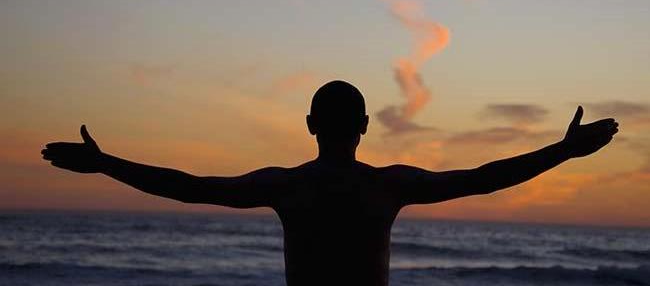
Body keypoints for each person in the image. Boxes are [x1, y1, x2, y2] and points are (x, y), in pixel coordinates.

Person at [41, 80, 619, 286]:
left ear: (312, 125)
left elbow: (191, 186)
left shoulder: (287, 187)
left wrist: (107, 164)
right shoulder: (388, 186)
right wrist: (564, 151)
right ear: (366, 127)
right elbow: (484, 179)